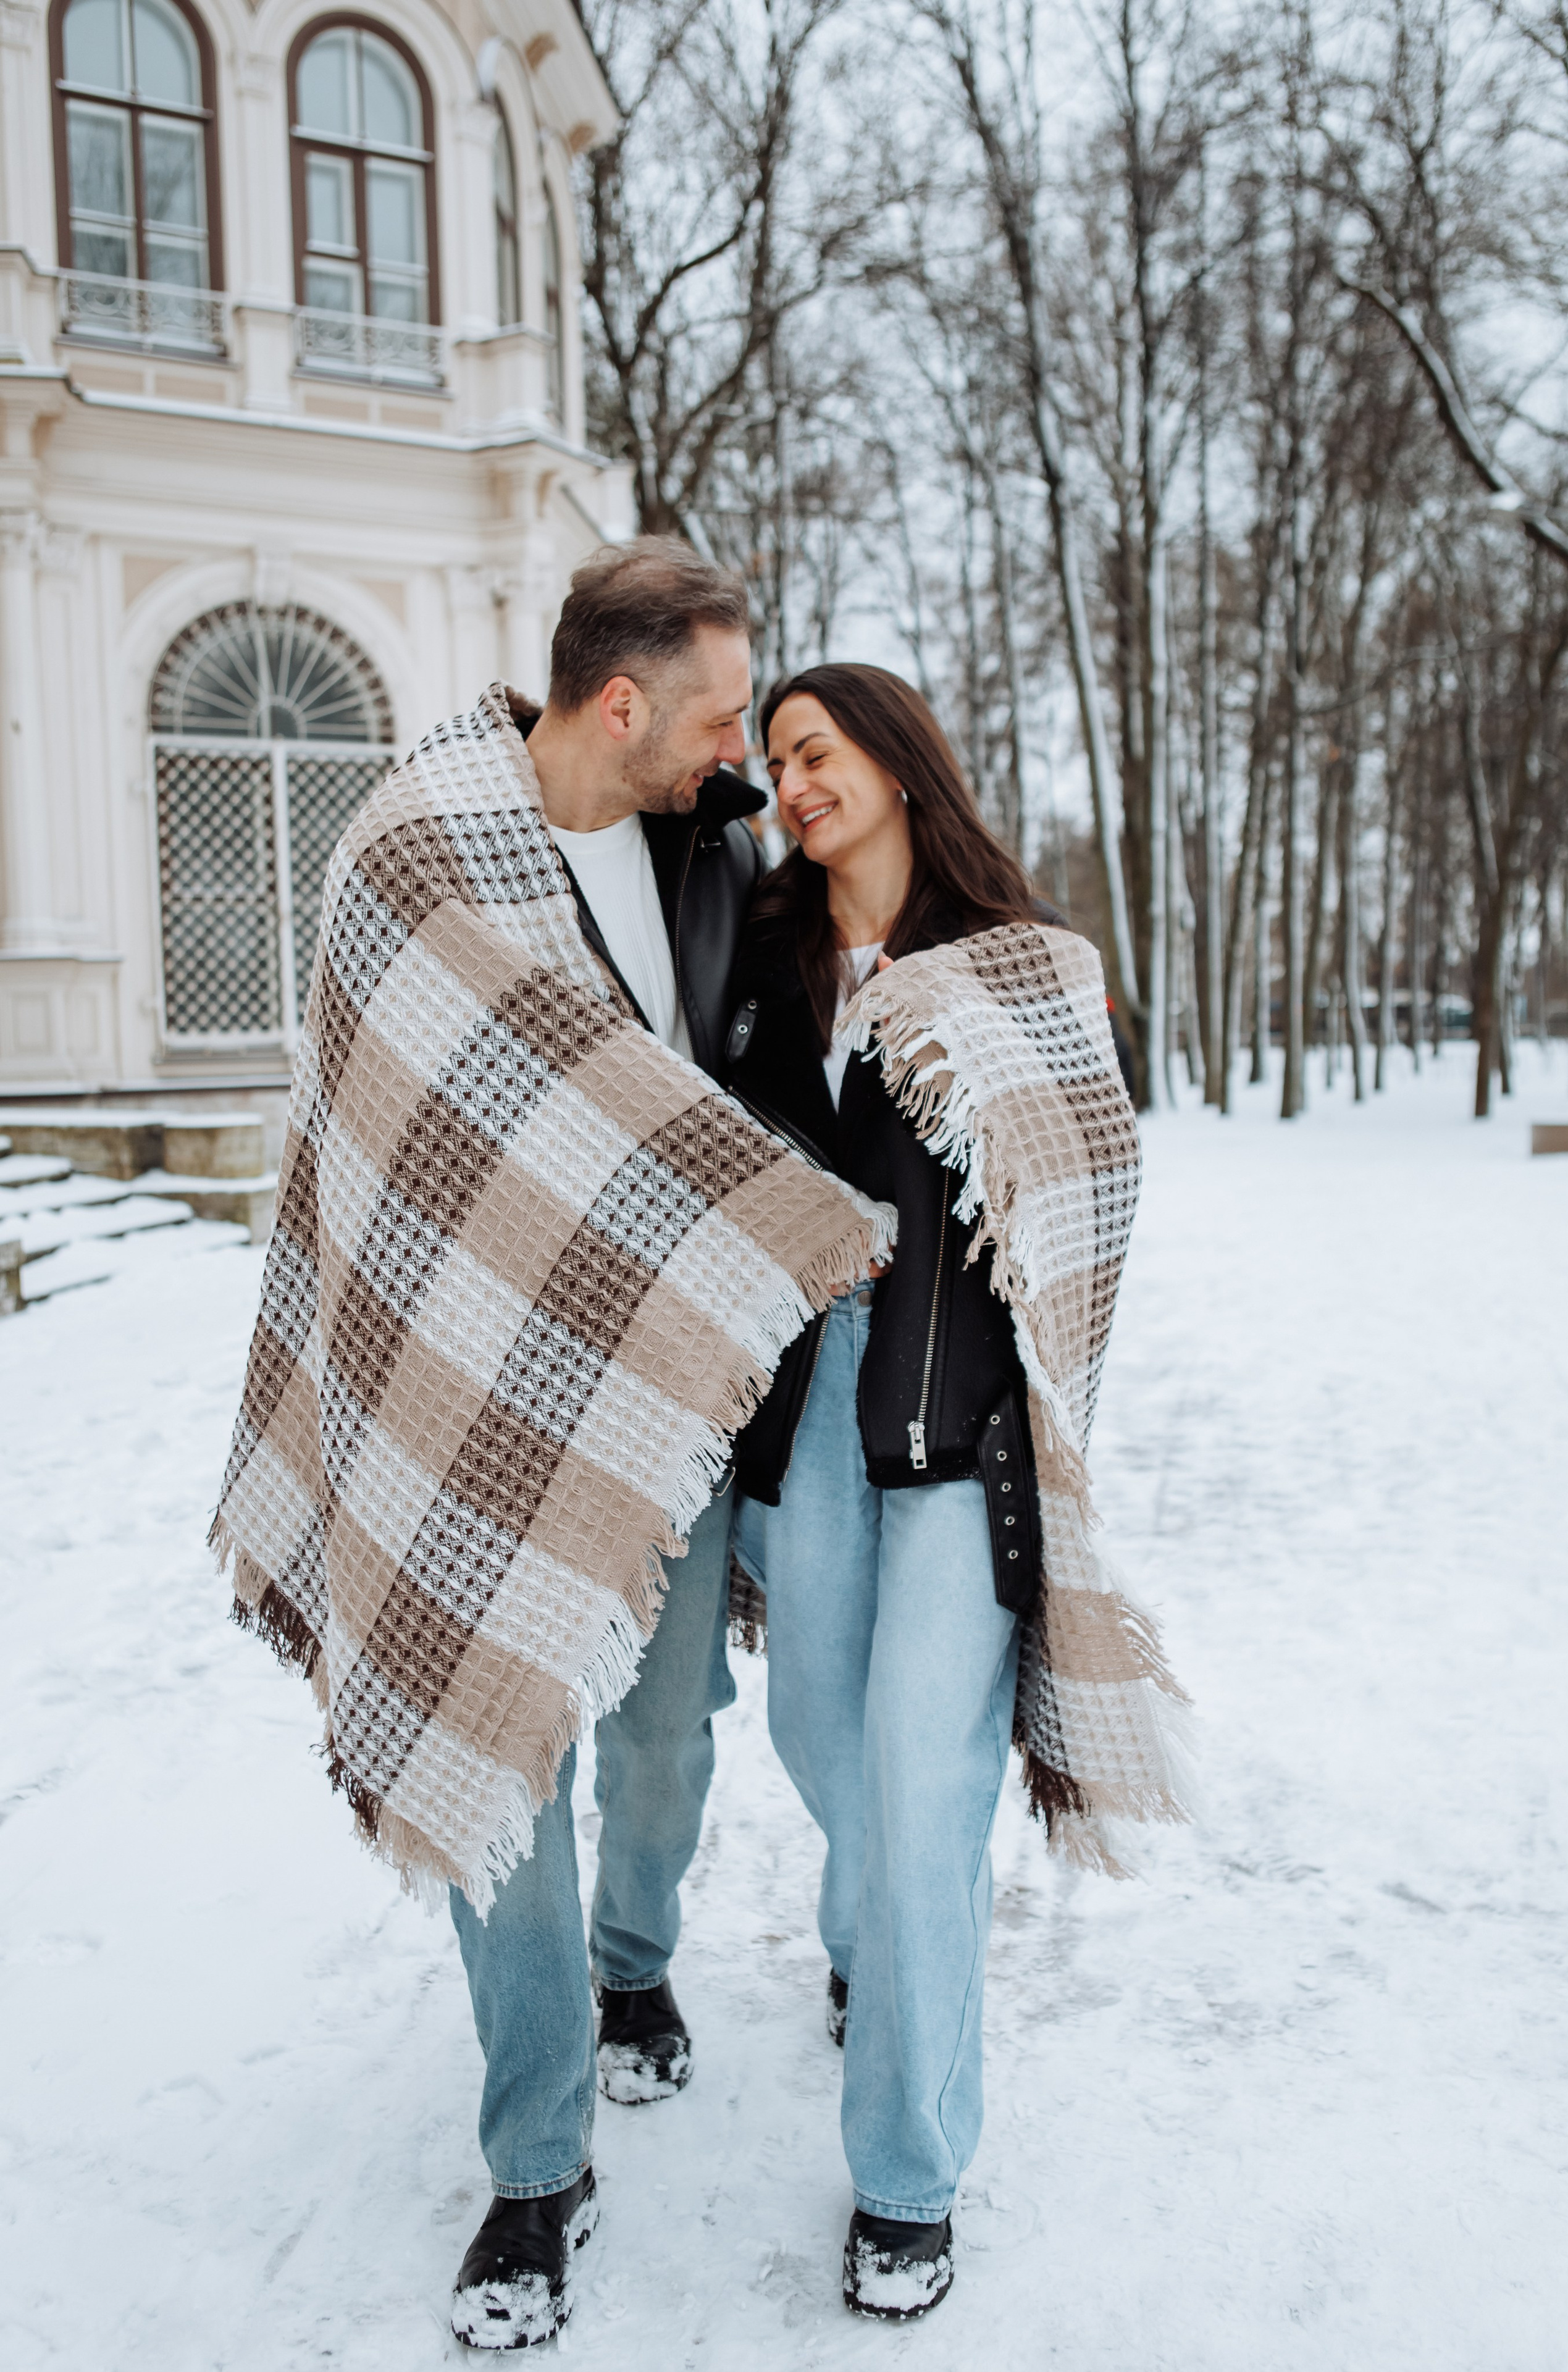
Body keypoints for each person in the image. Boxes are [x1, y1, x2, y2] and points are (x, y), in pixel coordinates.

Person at [448, 540, 763, 2348]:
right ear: (624, 700)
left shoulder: (707, 851)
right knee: (501, 1763)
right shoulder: (431, 858)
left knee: (660, 1733)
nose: (739, 747)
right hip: (484, 1394)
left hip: (678, 1389)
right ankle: (532, 2160)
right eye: (720, 711)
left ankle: (630, 1965)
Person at [726, 664, 1055, 2324]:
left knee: (927, 1797)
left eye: (817, 748)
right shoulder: (762, 958)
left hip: (950, 1432)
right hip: (801, 1419)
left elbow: (1086, 1194)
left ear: (899, 760)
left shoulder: (1017, 964)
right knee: (821, 1746)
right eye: (776, 757)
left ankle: (906, 2178)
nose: (792, 779)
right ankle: (872, 1927)